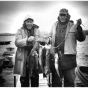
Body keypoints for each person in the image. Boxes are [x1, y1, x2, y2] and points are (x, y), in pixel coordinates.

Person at [48, 8, 86, 87]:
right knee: (56, 83)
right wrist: (47, 40)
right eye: (61, 15)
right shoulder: (54, 25)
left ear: (67, 15)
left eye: (64, 15)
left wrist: (79, 28)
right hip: (56, 58)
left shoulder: (73, 25)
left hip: (69, 59)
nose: (62, 17)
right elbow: (50, 36)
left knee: (69, 83)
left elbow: (81, 38)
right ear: (58, 15)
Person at [13, 15, 40, 87]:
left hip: (35, 57)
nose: (29, 23)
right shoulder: (20, 30)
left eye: (31, 22)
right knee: (24, 80)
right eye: (27, 22)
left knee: (35, 77)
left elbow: (41, 39)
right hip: (24, 58)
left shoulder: (37, 30)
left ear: (33, 22)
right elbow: (17, 42)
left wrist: (44, 40)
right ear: (24, 22)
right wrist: (27, 40)